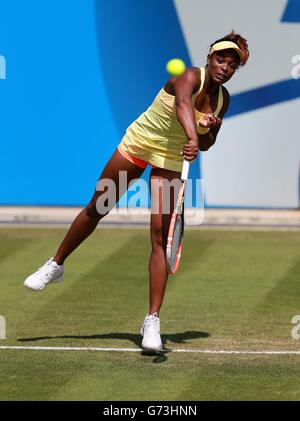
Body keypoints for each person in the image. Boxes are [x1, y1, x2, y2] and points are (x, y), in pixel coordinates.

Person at [23, 31, 249, 352]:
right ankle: (56, 265)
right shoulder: (188, 77)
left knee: (159, 237)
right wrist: (193, 136)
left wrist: (211, 129)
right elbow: (183, 104)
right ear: (209, 58)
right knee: (97, 207)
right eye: (220, 59)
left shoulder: (224, 101)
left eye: (232, 64)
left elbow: (208, 144)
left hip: (172, 158)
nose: (225, 67)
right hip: (140, 143)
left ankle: (152, 321)